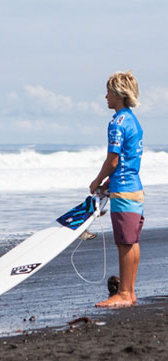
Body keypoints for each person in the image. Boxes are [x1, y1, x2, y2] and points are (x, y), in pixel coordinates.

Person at [89, 71, 143, 308]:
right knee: (131, 242)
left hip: (123, 190)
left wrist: (97, 181)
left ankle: (123, 293)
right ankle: (129, 292)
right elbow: (127, 161)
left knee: (124, 243)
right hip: (133, 187)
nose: (105, 97)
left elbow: (113, 160)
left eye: (109, 92)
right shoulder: (133, 120)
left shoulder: (117, 122)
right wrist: (108, 184)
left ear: (119, 95)